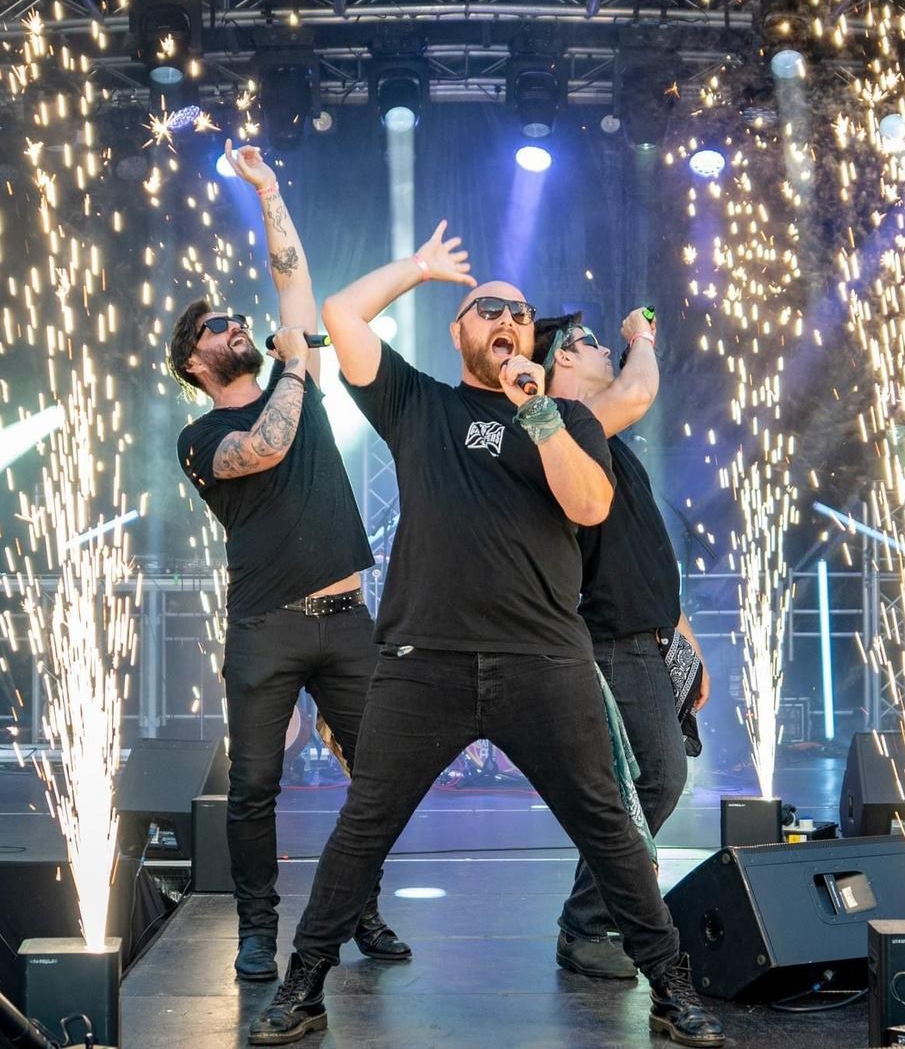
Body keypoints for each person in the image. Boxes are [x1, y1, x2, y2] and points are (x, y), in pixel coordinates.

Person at [248, 222, 725, 1048]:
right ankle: (302, 987)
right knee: (364, 827)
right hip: (422, 665)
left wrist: (535, 408)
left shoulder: (565, 418)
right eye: (487, 309)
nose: (506, 319)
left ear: (530, 339)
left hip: (544, 663)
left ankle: (671, 989)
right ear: (458, 331)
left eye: (519, 313)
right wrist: (420, 267)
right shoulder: (418, 404)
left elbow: (589, 506)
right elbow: (342, 314)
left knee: (611, 829)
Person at [169, 142, 409, 984]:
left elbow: (292, 279)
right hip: (265, 627)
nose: (236, 325)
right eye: (217, 328)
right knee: (254, 787)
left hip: (346, 622)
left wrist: (269, 192)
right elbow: (265, 449)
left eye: (237, 320)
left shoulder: (288, 377)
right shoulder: (202, 436)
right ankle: (257, 929)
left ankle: (358, 910)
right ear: (193, 361)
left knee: (378, 777)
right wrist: (298, 364)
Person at [528, 308, 711, 980]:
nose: (606, 348)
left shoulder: (604, 437)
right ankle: (587, 923)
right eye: (590, 343)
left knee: (639, 787)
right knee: (656, 779)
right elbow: (638, 390)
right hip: (611, 639)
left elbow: (642, 550)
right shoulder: (563, 426)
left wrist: (682, 636)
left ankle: (596, 916)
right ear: (562, 360)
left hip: (649, 635)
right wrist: (643, 337)